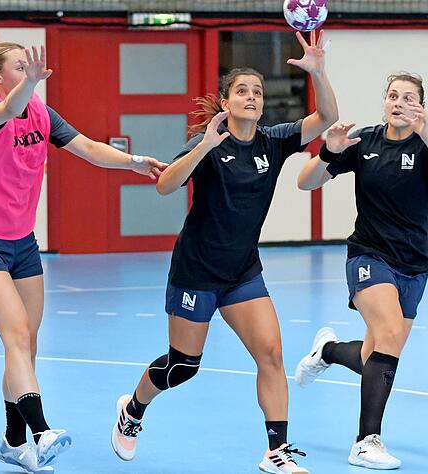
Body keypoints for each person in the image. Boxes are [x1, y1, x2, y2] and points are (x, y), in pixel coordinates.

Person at [110, 31, 336, 474]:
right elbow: (164, 185)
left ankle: (276, 452)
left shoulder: (274, 141)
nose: (251, 97)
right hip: (197, 272)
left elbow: (327, 116)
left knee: (270, 353)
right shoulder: (208, 143)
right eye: (242, 91)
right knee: (182, 367)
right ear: (226, 102)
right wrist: (206, 146)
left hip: (242, 273)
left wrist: (319, 71)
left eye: (257, 92)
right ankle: (133, 409)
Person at [0, 42, 167, 472]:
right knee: (16, 335)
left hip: (21, 241)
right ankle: (42, 432)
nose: (29, 73)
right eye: (19, 68)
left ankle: (12, 440)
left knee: (29, 344)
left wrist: (133, 162)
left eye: (31, 66)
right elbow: (7, 111)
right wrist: (28, 83)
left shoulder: (41, 113)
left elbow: (90, 148)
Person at [294, 72, 428, 470]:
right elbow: (306, 183)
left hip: (414, 264)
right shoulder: (364, 141)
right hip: (369, 255)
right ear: (384, 102)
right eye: (392, 95)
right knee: (389, 334)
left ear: (420, 105)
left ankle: (329, 351)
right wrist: (327, 151)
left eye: (408, 97)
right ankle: (365, 441)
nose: (399, 102)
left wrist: (426, 134)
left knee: (379, 352)